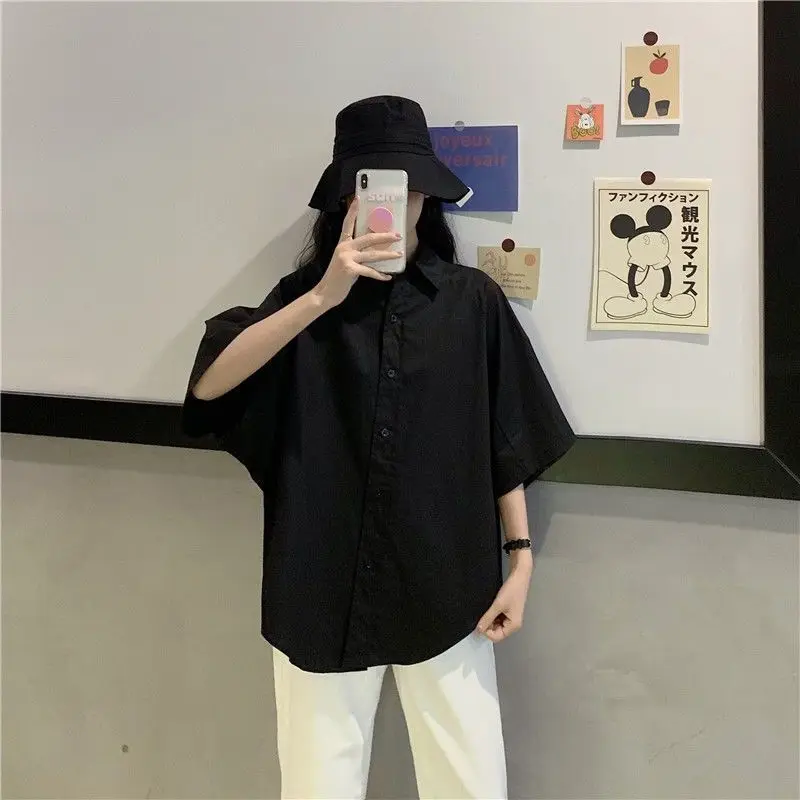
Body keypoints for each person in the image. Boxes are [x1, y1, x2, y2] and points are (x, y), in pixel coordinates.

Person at [182, 95, 575, 799]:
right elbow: (211, 386)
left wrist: (520, 560)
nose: (398, 203)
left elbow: (504, 436)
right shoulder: (304, 298)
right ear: (348, 199)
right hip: (320, 584)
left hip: (449, 585)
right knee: (316, 787)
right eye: (376, 187)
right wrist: (321, 299)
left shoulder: (470, 302)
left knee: (471, 785)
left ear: (428, 195)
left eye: (410, 186)